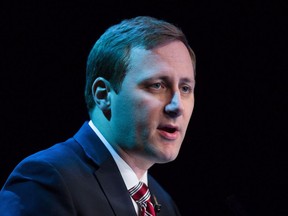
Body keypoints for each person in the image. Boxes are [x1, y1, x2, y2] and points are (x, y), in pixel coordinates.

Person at [0, 16, 196, 215]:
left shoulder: (164, 203)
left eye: (186, 88)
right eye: (157, 85)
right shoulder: (45, 180)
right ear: (103, 95)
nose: (177, 106)